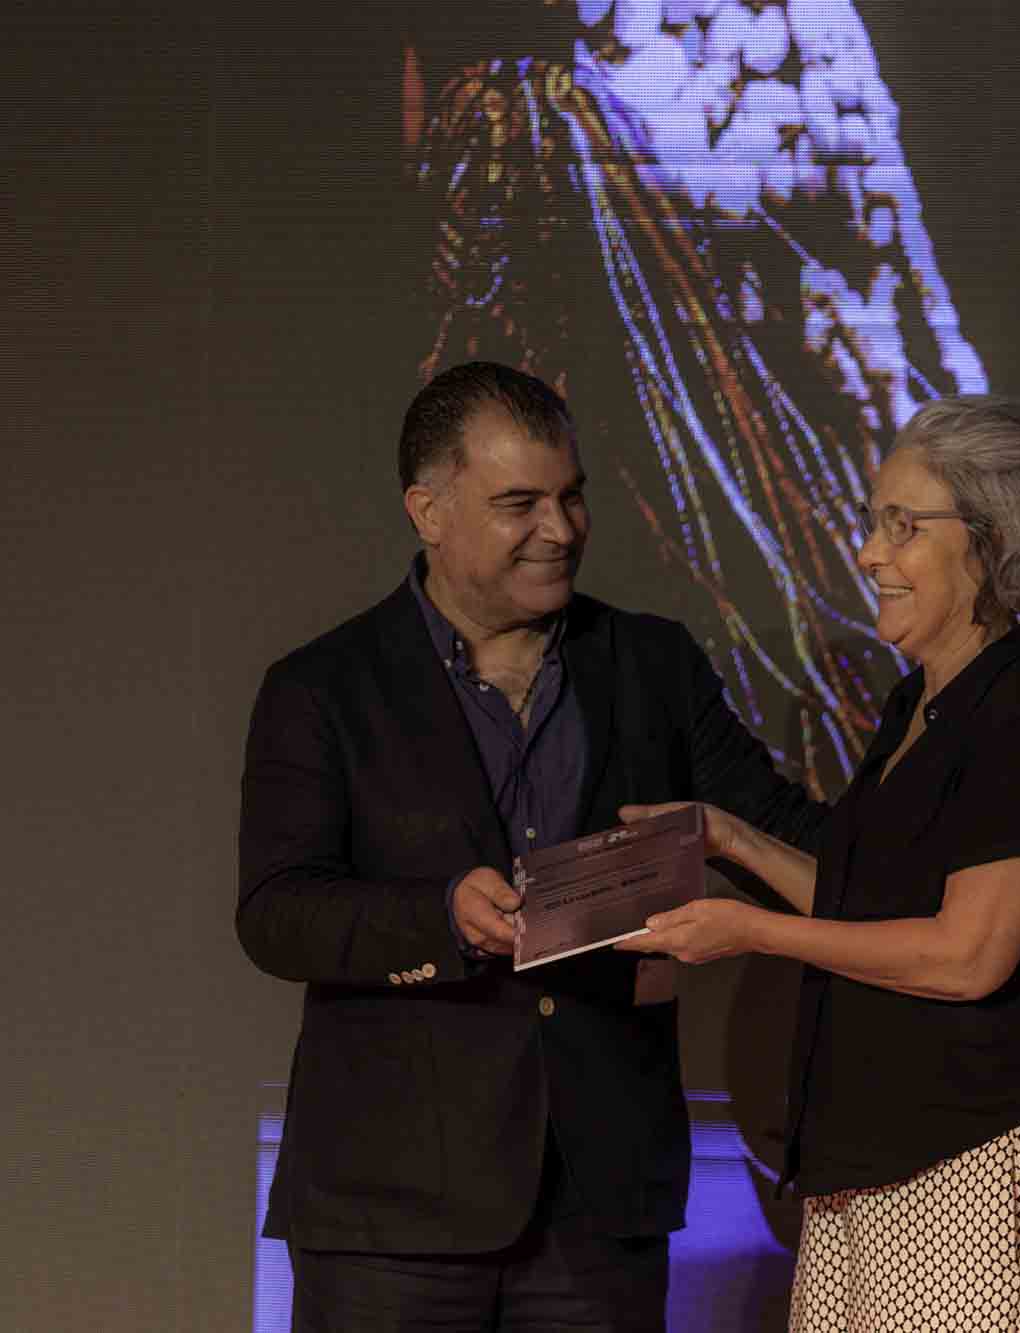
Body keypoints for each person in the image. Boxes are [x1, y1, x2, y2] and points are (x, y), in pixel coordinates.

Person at [236, 361, 823, 1331]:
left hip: (600, 1202)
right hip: (389, 1209)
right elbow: (276, 912)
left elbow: (783, 833)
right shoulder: (322, 687)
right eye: (520, 504)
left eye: (571, 496)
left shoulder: (653, 665)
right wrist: (439, 916)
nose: (560, 529)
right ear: (428, 511)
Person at [616, 394, 1020, 1330]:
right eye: (872, 522)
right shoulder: (914, 712)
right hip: (873, 1175)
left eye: (902, 526)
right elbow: (867, 905)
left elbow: (967, 955)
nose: (867, 554)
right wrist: (730, 837)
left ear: (990, 541)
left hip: (983, 1169)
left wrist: (752, 931)